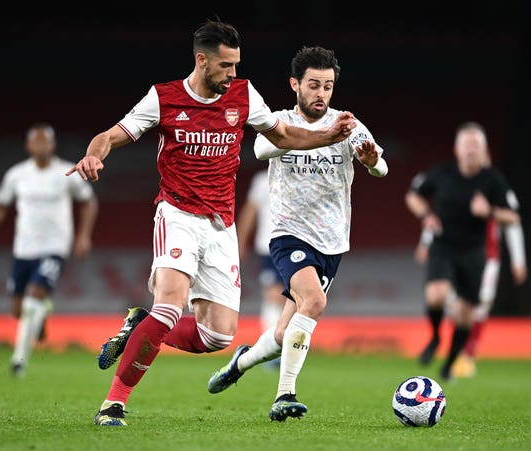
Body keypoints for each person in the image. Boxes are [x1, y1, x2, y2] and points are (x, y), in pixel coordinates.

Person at [65, 19, 356, 427]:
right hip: (178, 213)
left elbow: (284, 135)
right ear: (201, 61)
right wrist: (96, 154)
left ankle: (137, 329)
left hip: (221, 225)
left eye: (236, 65)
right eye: (225, 66)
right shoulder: (163, 98)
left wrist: (328, 138)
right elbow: (110, 135)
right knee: (168, 307)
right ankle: (113, 404)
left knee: (217, 337)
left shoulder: (243, 95)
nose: (233, 74)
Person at [206, 45, 388, 422]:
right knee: (315, 303)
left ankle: (240, 363)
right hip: (288, 233)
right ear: (295, 85)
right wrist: (321, 136)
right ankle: (284, 395)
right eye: (313, 85)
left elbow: (380, 167)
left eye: (328, 86)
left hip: (333, 241)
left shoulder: (348, 124)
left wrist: (372, 163)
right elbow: (259, 149)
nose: (321, 94)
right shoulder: (278, 122)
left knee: (282, 333)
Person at [0, 122, 99, 377]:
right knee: (19, 310)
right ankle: (42, 314)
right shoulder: (17, 175)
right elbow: (0, 205)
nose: (42, 146)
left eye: (47, 142)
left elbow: (88, 202)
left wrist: (83, 237)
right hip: (23, 249)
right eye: (37, 142)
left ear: (53, 145)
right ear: (28, 146)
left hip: (55, 247)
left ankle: (18, 361)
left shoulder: (66, 172)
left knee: (33, 297)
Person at [404, 121, 522, 381]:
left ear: (483, 150)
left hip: (472, 252)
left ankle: (451, 361)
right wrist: (427, 215)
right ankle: (435, 337)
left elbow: (513, 217)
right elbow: (413, 195)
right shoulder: (443, 173)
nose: (471, 150)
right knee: (436, 296)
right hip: (443, 246)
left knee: (464, 314)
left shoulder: (493, 181)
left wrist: (490, 212)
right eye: (466, 145)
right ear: (457, 149)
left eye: (476, 146)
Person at [236, 167, 285, 369]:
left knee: (295, 297)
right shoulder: (263, 179)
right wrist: (240, 243)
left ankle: (285, 345)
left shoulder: (303, 172)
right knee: (274, 295)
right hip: (269, 246)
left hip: (299, 244)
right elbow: (251, 211)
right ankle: (273, 351)